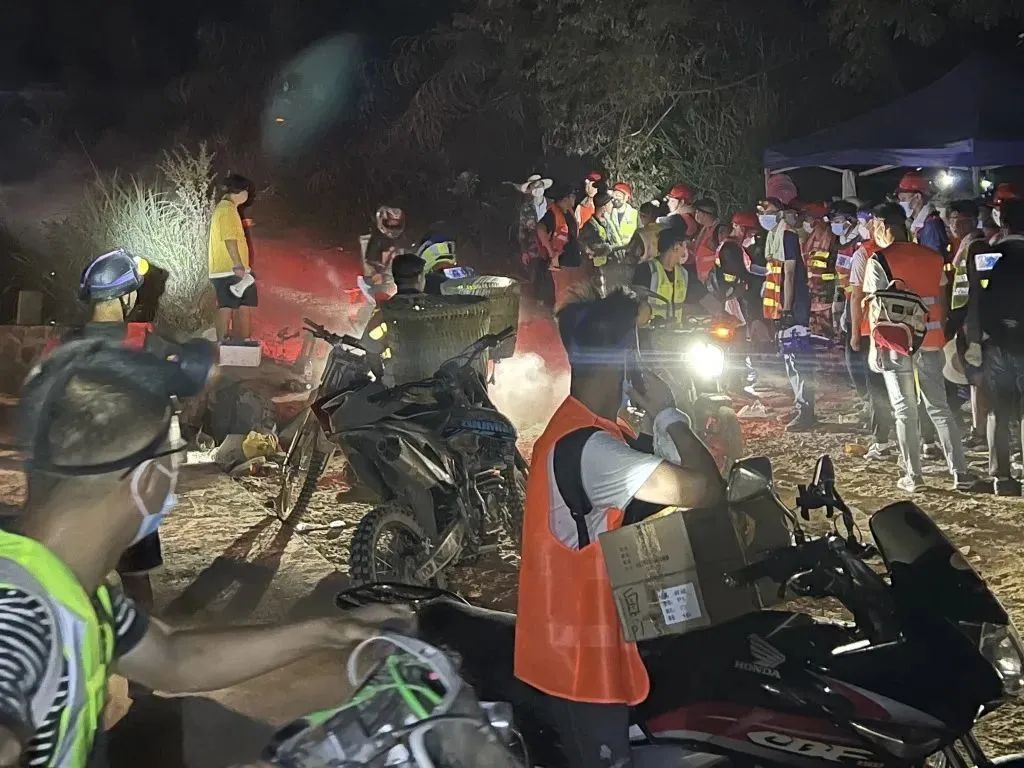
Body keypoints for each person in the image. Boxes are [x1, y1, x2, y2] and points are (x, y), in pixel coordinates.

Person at [0, 340, 410, 768]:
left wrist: (333, 631)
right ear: (146, 480)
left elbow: (172, 657)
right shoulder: (19, 613)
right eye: (174, 462)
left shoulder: (71, 590)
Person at [515, 291, 724, 768]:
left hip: (586, 651)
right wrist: (667, 411)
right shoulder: (595, 451)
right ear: (624, 362)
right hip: (580, 669)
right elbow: (705, 489)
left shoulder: (589, 430)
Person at [863, 203, 979, 493]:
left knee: (904, 410)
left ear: (884, 226)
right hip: (931, 340)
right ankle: (960, 473)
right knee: (939, 407)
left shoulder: (879, 259)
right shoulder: (933, 257)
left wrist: (874, 348)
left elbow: (876, 309)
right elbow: (942, 299)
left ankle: (913, 476)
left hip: (896, 344)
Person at [965, 198, 1024, 495]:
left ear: (1003, 223)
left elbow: (975, 299)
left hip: (996, 342)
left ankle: (1002, 477)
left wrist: (974, 341)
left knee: (998, 412)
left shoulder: (987, 256)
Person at [759, 198, 815, 431]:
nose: (764, 215)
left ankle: (806, 411)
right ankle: (800, 403)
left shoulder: (787, 237)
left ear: (780, 214)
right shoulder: (773, 237)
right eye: (762, 211)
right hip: (783, 305)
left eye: (769, 211)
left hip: (794, 304)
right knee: (790, 357)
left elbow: (789, 274)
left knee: (799, 357)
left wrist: (788, 309)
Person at [208, 173, 257, 343]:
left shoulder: (229, 209)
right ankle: (222, 343)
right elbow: (229, 239)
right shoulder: (227, 210)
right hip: (228, 269)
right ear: (239, 191)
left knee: (242, 305)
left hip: (233, 269)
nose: (248, 195)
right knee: (227, 306)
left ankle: (242, 342)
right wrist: (237, 264)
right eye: (247, 191)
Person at [631, 227, 690, 322]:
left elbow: (700, 295)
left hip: (677, 330)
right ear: (676, 247)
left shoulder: (683, 273)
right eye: (684, 245)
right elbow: (637, 304)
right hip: (652, 329)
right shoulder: (646, 270)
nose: (685, 250)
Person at [799, 202, 837, 339]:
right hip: (816, 298)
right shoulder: (814, 237)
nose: (805, 221)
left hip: (825, 297)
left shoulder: (826, 236)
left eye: (807, 217)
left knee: (827, 336)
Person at [518, 174, 555, 306]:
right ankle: (538, 303)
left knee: (551, 273)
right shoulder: (526, 208)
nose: (537, 190)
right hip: (533, 246)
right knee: (536, 274)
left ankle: (551, 301)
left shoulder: (552, 204)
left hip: (551, 244)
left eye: (539, 186)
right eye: (534, 187)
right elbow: (522, 230)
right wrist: (524, 251)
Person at [895, 171, 950, 257]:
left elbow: (933, 259)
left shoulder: (931, 225)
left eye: (903, 199)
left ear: (917, 197)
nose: (901, 203)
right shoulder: (919, 225)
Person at [690, 198, 721, 283]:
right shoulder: (704, 228)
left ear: (704, 214)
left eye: (697, 212)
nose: (696, 214)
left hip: (715, 281)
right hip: (703, 280)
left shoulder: (719, 231)